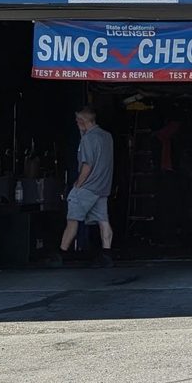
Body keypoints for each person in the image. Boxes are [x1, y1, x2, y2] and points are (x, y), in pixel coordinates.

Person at [55, 106, 115, 267]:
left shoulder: (88, 139)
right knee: (103, 220)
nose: (76, 123)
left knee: (72, 219)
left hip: (88, 187)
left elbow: (87, 165)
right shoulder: (107, 136)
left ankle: (62, 254)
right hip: (103, 186)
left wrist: (78, 184)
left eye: (77, 120)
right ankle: (107, 254)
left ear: (83, 121)